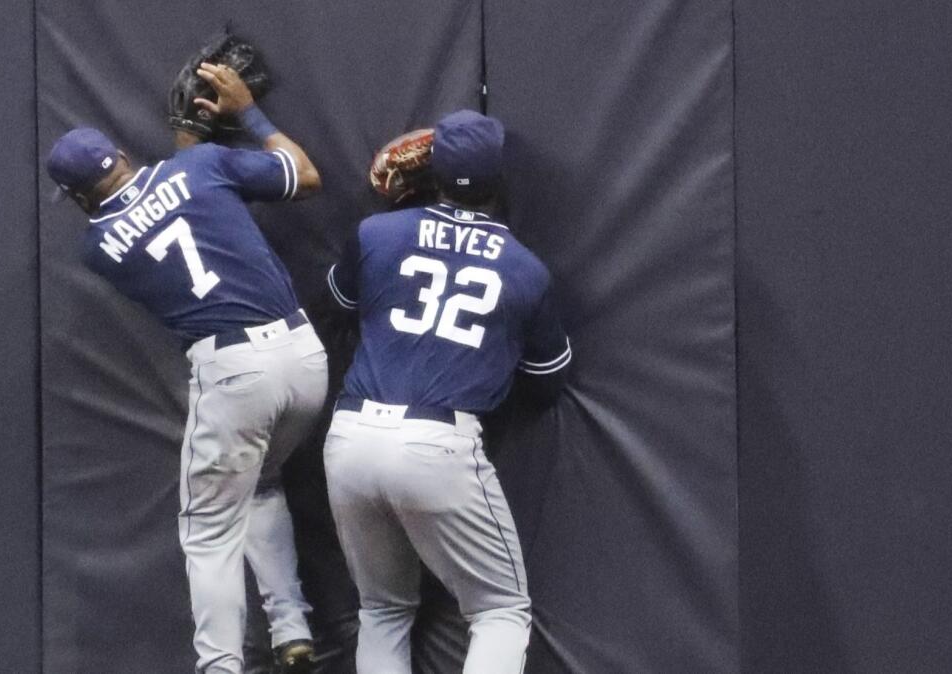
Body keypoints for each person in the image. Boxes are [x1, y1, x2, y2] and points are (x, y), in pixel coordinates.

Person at [46, 62, 325, 674]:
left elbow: (165, 204)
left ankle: (220, 666)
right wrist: (245, 113)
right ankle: (291, 626)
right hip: (305, 361)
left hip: (235, 374)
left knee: (208, 534)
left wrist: (191, 136)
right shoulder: (198, 168)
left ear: (73, 197)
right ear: (119, 152)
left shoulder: (99, 249)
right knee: (261, 483)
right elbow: (302, 175)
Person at [324, 110, 573, 673]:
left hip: (352, 434)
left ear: (428, 173)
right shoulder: (525, 270)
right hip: (437, 442)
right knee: (500, 610)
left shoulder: (376, 233)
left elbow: (339, 304)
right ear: (500, 179)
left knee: (382, 610)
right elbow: (548, 380)